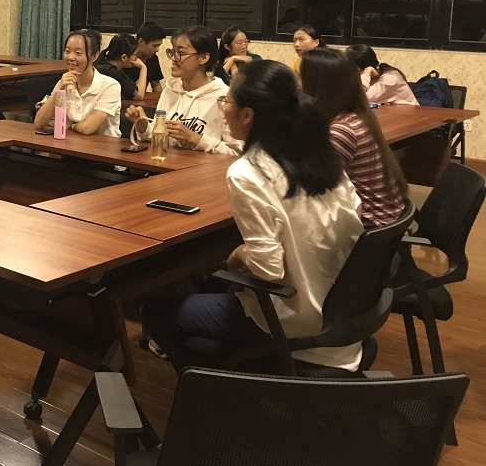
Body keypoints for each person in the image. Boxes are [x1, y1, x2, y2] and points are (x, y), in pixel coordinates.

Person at [143, 60, 364, 374]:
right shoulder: (318, 153)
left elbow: (268, 269)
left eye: (226, 101)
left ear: (247, 115)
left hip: (298, 323)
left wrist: (240, 253)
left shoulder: (248, 172)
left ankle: (214, 388)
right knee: (215, 285)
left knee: (156, 312)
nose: (223, 108)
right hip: (342, 313)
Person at [301, 48, 409, 228]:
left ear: (315, 86)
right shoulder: (357, 117)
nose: (297, 85)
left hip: (370, 228)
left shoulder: (343, 131)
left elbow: (308, 187)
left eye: (300, 77)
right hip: (385, 220)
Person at [125, 25, 240, 155]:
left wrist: (196, 138)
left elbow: (235, 152)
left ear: (204, 58)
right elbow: (160, 139)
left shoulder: (224, 97)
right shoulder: (170, 91)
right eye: (172, 52)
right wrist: (144, 126)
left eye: (181, 53)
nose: (173, 59)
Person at [34, 30, 122, 137]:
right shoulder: (65, 82)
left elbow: (87, 128)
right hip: (71, 144)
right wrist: (58, 88)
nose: (71, 58)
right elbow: (39, 123)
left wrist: (72, 126)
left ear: (94, 56)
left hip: (103, 146)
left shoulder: (110, 86)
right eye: (67, 51)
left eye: (78, 53)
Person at [343, 44, 418, 105]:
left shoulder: (389, 78)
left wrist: (366, 74)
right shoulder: (370, 76)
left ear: (358, 68)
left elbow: (362, 99)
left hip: (412, 115)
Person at [95, 33, 146, 100]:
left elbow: (133, 90)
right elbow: (139, 95)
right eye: (135, 54)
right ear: (124, 57)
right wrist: (143, 68)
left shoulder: (109, 67)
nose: (136, 58)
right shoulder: (110, 72)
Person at [126, 22, 165, 94]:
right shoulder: (125, 58)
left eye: (159, 46)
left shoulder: (153, 58)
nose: (157, 50)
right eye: (154, 46)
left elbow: (156, 85)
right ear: (141, 41)